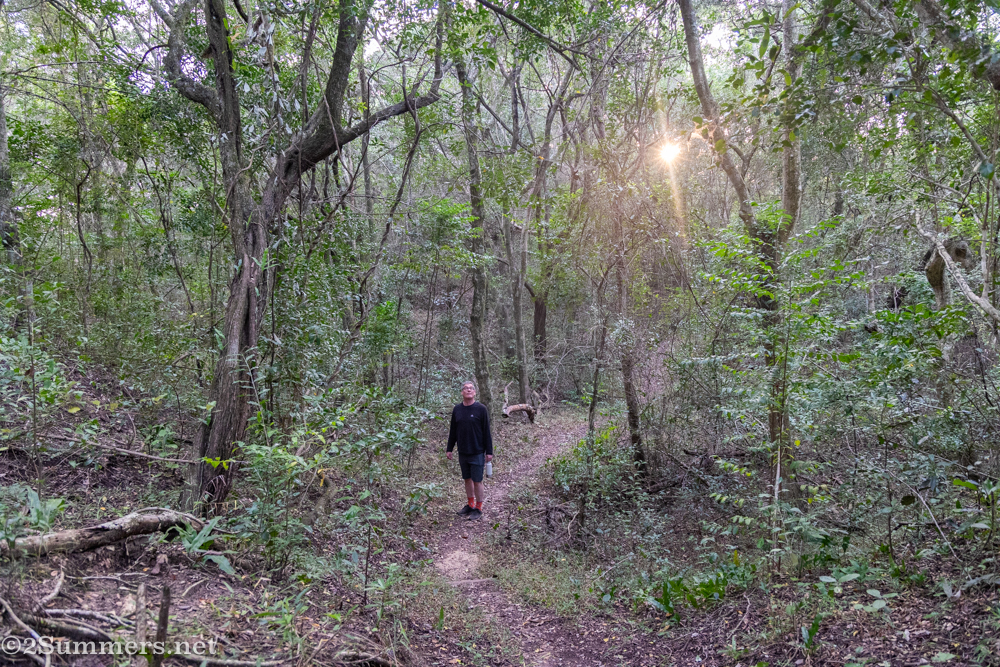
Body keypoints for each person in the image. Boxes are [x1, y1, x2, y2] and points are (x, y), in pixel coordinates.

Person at [446, 381, 493, 521]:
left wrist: (489, 452)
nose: (468, 390)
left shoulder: (481, 409)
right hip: (463, 451)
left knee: (477, 480)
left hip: (477, 451)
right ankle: (470, 504)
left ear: (475, 392)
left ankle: (479, 508)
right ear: (461, 392)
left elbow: (487, 432)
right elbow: (453, 431)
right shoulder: (457, 409)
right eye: (465, 388)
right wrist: (449, 448)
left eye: (471, 388)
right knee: (467, 479)